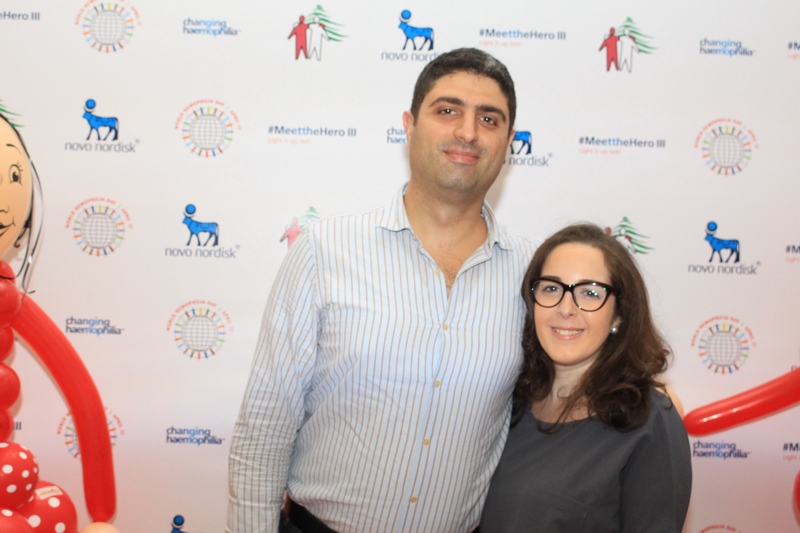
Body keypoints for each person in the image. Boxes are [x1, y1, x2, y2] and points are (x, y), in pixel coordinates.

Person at [227, 48, 536, 533]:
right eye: (447, 110)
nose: (468, 132)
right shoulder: (325, 250)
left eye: (489, 119)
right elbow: (265, 425)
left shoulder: (533, 275)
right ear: (410, 126)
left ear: (509, 142)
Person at [480, 223, 691, 532]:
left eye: (590, 293)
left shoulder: (649, 420)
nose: (566, 309)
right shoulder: (507, 402)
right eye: (551, 288)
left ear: (619, 315)